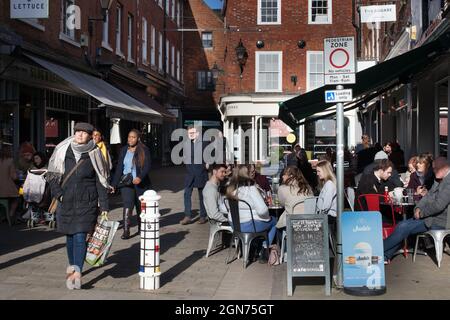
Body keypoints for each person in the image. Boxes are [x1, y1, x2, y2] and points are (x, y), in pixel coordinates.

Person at [47, 122, 110, 289]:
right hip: (65, 200)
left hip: (87, 201)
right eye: (77, 132)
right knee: (69, 236)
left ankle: (77, 273)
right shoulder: (62, 150)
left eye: (84, 133)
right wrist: (58, 194)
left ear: (90, 135)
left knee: (80, 236)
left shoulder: (95, 153)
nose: (80, 135)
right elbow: (52, 175)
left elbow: (101, 180)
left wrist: (104, 206)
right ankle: (72, 267)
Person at [383, 157, 450, 262]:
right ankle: (385, 255)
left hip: (440, 221)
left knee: (403, 226)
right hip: (430, 217)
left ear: (443, 168)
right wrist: (418, 207)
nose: (433, 171)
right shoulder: (439, 180)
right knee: (402, 225)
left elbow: (439, 205)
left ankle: (378, 250)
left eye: (435, 168)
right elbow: (427, 197)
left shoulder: (448, 182)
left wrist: (422, 213)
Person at [226, 165, 277, 262]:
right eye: (251, 172)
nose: (254, 173)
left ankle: (252, 248)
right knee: (274, 221)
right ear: (247, 174)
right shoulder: (251, 188)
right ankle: (264, 250)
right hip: (250, 225)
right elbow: (262, 210)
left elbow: (224, 207)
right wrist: (267, 218)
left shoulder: (231, 188)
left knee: (262, 221)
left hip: (235, 225)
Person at [112, 129, 152, 239]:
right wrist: (114, 184)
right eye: (129, 137)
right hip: (126, 183)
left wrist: (140, 177)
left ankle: (141, 228)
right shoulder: (124, 150)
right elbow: (120, 168)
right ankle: (126, 230)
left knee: (140, 206)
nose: (130, 139)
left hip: (141, 183)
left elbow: (148, 166)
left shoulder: (144, 150)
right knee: (127, 205)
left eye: (133, 137)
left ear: (138, 138)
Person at [180, 126, 208, 225]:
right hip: (190, 173)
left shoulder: (204, 144)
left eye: (193, 132)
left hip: (200, 173)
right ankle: (187, 216)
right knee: (186, 194)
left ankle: (203, 216)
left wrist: (207, 164)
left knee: (202, 196)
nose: (191, 134)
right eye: (189, 133)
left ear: (198, 133)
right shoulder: (186, 144)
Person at [0, 145, 19, 224]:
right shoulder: (10, 161)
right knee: (17, 198)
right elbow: (14, 176)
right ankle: (11, 214)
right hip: (7, 189)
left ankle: (4, 215)